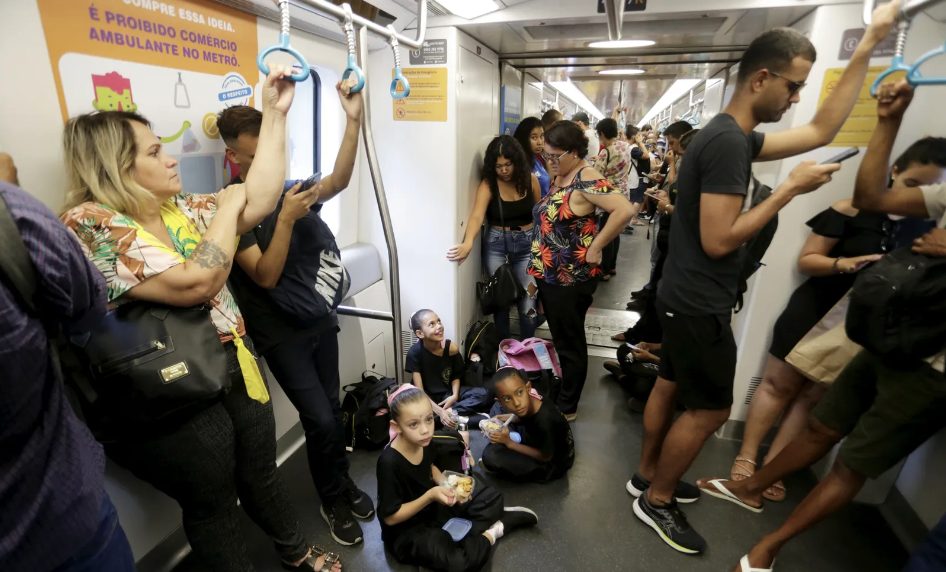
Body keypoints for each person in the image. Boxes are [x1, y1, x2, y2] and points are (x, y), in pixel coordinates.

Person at [629, 3, 899, 556]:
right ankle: (656, 499)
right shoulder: (729, 142)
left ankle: (645, 475)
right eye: (794, 86)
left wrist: (868, 45)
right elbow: (720, 240)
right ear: (762, 79)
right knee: (709, 410)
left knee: (672, 384)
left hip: (683, 295)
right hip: (700, 300)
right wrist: (790, 189)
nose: (797, 98)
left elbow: (824, 128)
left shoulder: (729, 134)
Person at [59, 67, 341, 572]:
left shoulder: (179, 208)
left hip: (231, 357)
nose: (170, 158)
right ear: (114, 167)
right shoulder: (90, 223)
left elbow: (259, 194)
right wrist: (231, 204)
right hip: (169, 384)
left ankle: (296, 552)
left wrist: (275, 114)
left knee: (261, 473)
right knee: (213, 502)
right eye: (152, 152)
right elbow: (196, 283)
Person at [695, 78, 946, 572]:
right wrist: (888, 120)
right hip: (883, 335)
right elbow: (871, 195)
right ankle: (748, 482)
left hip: (933, 364)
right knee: (819, 422)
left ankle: (768, 548)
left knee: (855, 460)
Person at [728, 137, 946, 503]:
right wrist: (845, 264)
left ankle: (772, 469)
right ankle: (747, 456)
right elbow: (808, 259)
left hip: (862, 323)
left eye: (931, 188)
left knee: (813, 396)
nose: (920, 195)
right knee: (778, 384)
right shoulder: (849, 209)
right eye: (913, 184)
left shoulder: (927, 231)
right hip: (818, 306)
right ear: (894, 172)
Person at [220, 82, 375, 548]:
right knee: (321, 420)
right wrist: (284, 219)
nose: (259, 163)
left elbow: (339, 180)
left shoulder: (289, 187)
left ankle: (342, 483)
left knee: (330, 408)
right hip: (279, 332)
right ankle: (331, 498)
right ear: (233, 156)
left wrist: (353, 121)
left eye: (265, 151)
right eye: (248, 157)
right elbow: (264, 276)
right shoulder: (231, 206)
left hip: (316, 317)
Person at [0, 156, 135, 572]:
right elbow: (86, 308)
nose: (170, 162)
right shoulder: (22, 219)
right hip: (61, 518)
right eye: (151, 153)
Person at [529, 120, 633, 420]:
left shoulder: (585, 177)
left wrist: (597, 246)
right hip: (550, 273)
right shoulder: (562, 175)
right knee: (561, 337)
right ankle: (564, 390)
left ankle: (568, 404)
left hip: (570, 277)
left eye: (554, 156)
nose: (549, 161)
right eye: (547, 155)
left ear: (574, 152)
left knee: (570, 340)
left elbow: (624, 209)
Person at [376, 384, 538, 572]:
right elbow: (391, 518)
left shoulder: (423, 441)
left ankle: (460, 538)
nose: (425, 430)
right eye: (413, 424)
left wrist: (447, 485)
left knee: (492, 498)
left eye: (429, 419)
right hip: (408, 530)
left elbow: (429, 467)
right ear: (396, 427)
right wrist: (431, 495)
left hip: (433, 510)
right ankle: (495, 531)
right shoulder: (389, 462)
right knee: (458, 564)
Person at [447, 136, 541, 339]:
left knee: (529, 299)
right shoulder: (489, 184)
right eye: (499, 166)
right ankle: (504, 348)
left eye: (508, 164)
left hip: (527, 244)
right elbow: (477, 215)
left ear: (517, 161)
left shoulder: (530, 180)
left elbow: (539, 213)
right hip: (498, 245)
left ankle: (528, 347)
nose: (504, 170)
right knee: (501, 300)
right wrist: (468, 241)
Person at [480, 368, 575, 482]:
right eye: (507, 398)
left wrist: (509, 443)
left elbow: (545, 457)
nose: (517, 403)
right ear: (500, 400)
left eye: (519, 392)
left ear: (528, 388)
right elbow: (525, 416)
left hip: (551, 464)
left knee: (490, 456)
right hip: (535, 436)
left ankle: (513, 440)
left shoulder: (545, 419)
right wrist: (502, 418)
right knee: (498, 411)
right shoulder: (532, 400)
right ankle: (512, 437)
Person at [406, 309, 491, 417]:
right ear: (420, 333)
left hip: (448, 394)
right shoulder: (414, 352)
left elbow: (456, 374)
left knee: (485, 394)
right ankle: (449, 415)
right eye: (431, 324)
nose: (439, 326)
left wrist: (455, 395)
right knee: (414, 411)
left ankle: (450, 413)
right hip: (426, 398)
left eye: (438, 321)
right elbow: (419, 391)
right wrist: (438, 410)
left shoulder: (451, 348)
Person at [594, 117, 635, 280]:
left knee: (606, 231)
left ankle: (603, 270)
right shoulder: (625, 146)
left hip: (609, 195)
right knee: (616, 231)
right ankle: (612, 267)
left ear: (602, 133)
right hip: (623, 193)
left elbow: (596, 175)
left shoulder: (606, 151)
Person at [513, 117, 550, 197]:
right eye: (534, 137)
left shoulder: (536, 158)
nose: (539, 142)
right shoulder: (520, 164)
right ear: (523, 139)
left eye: (542, 136)